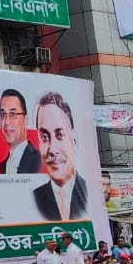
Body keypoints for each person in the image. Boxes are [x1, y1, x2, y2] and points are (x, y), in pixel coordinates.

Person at [31, 93, 88, 221]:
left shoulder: (90, 193)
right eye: (44, 137)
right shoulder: (34, 198)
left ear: (74, 140)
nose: (52, 149)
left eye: (60, 135)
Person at [0, 89, 40, 174]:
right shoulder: (1, 167)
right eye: (3, 114)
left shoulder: (40, 160)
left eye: (12, 114)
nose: (7, 122)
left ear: (25, 120)